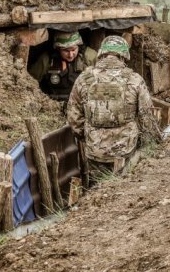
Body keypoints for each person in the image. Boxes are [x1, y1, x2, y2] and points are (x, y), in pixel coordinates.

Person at [67, 35, 162, 178]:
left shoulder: (84, 79)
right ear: (123, 56)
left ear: (101, 54)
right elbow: (147, 118)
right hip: (126, 150)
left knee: (97, 187)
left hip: (95, 151)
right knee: (124, 186)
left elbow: (74, 117)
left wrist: (88, 136)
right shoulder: (134, 79)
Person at [28, 32, 96, 101]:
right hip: (53, 102)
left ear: (79, 46)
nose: (70, 55)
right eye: (66, 51)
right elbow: (29, 81)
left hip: (82, 101)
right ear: (58, 49)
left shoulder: (89, 57)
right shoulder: (47, 60)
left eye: (73, 50)